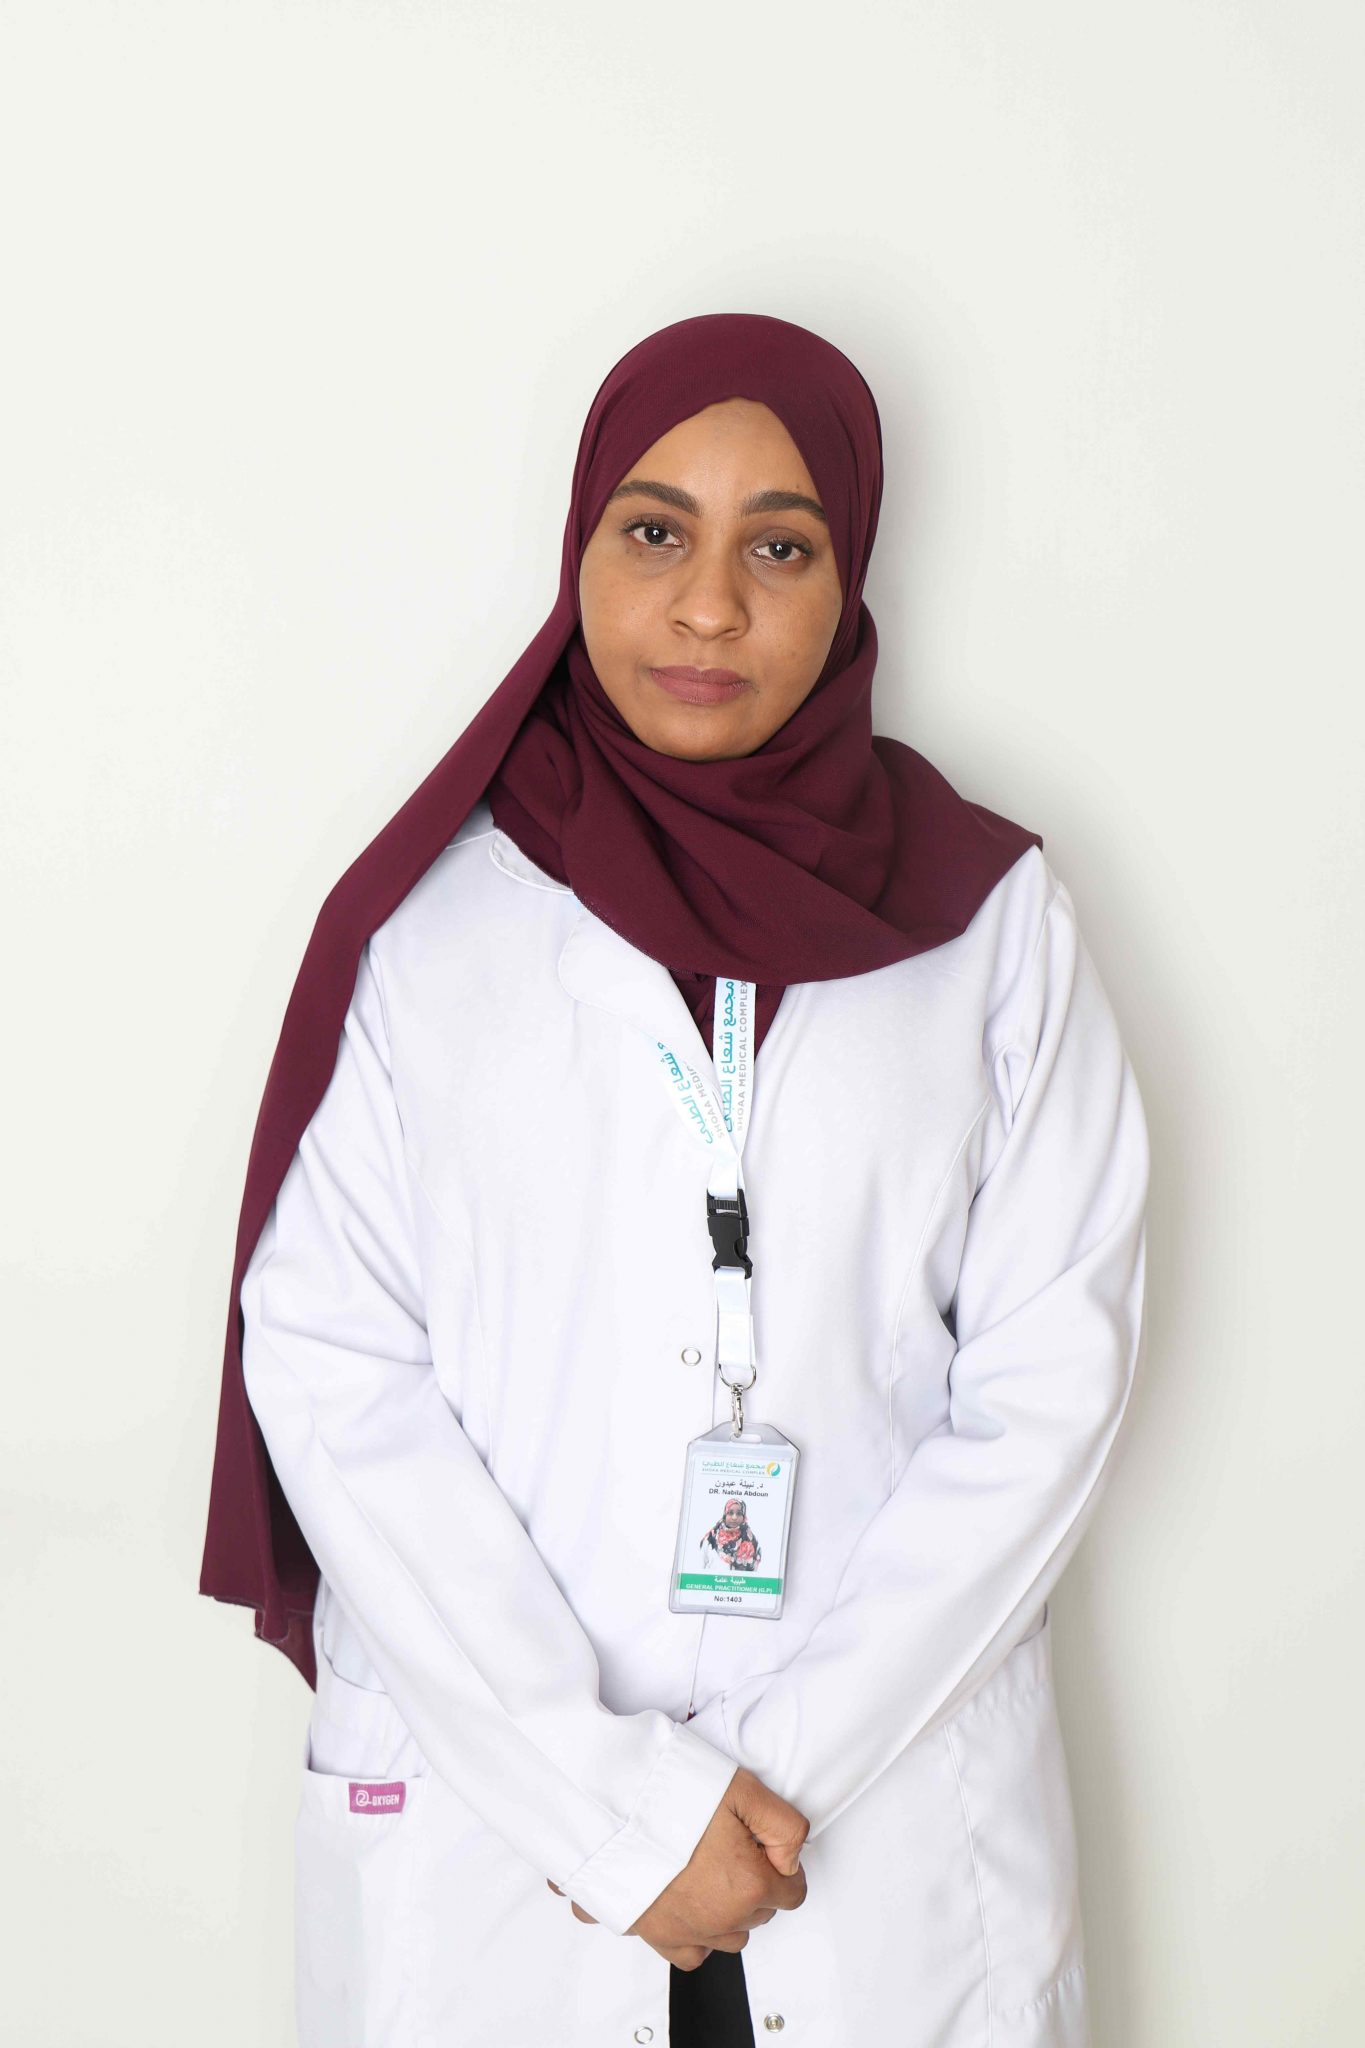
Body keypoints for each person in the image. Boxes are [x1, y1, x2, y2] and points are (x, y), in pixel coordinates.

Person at [199, 311, 1150, 2047]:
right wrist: (610, 1811)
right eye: (654, 533)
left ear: (847, 579)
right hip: (507, 1853)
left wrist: (761, 1788)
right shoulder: (424, 931)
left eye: (777, 548)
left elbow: (1046, 1390)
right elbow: (332, 1368)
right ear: (580, 548)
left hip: (872, 1845)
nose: (707, 606)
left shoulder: (992, 924)